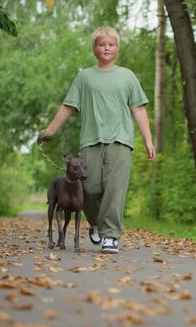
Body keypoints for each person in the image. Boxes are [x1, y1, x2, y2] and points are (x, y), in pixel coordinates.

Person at [37, 26, 156, 254]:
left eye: (111, 44)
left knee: (114, 189)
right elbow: (68, 106)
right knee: (89, 188)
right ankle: (97, 224)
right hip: (90, 142)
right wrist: (50, 131)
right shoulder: (85, 77)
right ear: (95, 49)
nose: (106, 48)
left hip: (121, 141)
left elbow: (139, 109)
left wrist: (148, 140)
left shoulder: (127, 76)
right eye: (102, 44)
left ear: (117, 48)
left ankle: (110, 235)